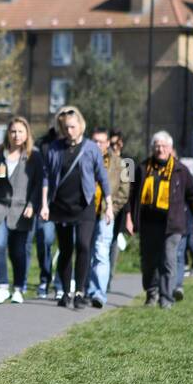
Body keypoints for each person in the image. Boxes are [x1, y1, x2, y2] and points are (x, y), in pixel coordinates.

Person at [43, 106, 110, 310]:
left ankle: (80, 291)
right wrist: (44, 204)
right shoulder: (54, 148)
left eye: (72, 126)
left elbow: (102, 176)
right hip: (61, 205)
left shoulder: (91, 148)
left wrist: (109, 205)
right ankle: (65, 292)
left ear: (81, 125)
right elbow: (46, 176)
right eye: (66, 127)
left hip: (85, 205)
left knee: (83, 245)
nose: (69, 130)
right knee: (65, 250)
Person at [130, 131, 193, 309]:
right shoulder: (142, 168)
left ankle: (166, 298)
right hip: (148, 223)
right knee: (148, 261)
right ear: (152, 148)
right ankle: (151, 293)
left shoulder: (181, 170)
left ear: (170, 148)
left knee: (168, 260)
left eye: (164, 146)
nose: (160, 149)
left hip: (173, 224)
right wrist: (129, 218)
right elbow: (131, 195)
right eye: (157, 146)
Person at [0, 116, 42, 304]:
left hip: (22, 209)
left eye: (20, 131)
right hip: (0, 205)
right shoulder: (0, 152)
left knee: (18, 251)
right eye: (13, 131)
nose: (16, 135)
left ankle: (18, 288)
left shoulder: (34, 155)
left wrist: (33, 205)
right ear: (8, 134)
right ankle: (2, 286)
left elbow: (37, 184)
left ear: (27, 134)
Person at [85, 126, 127, 307]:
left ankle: (98, 293)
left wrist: (112, 208)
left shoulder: (120, 163)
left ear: (108, 143)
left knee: (101, 253)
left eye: (101, 141)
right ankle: (83, 288)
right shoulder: (84, 159)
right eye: (94, 141)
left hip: (105, 215)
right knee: (84, 251)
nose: (97, 144)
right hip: (85, 214)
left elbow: (124, 191)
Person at [31, 126, 63, 299]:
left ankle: (60, 283)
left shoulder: (77, 144)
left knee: (67, 244)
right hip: (47, 203)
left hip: (67, 203)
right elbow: (41, 175)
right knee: (45, 239)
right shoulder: (43, 144)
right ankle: (45, 278)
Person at [106, 129, 131, 291]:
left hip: (120, 210)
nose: (114, 147)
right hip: (105, 208)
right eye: (112, 143)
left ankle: (108, 277)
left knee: (113, 242)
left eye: (117, 143)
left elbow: (129, 191)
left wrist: (128, 216)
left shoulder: (127, 162)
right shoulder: (105, 160)